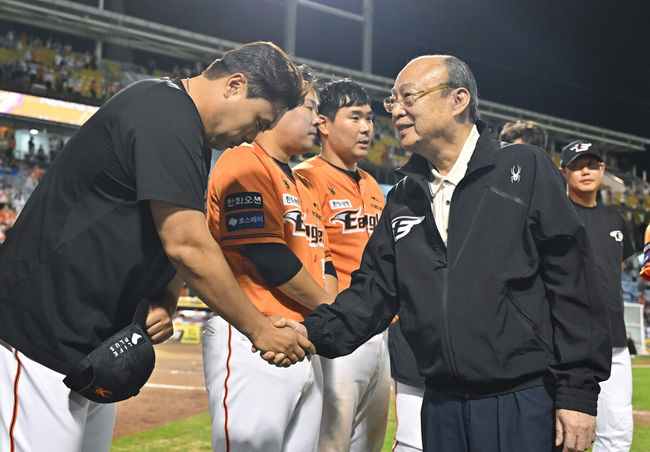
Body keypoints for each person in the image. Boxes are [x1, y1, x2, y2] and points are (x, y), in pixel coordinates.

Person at [273, 54, 611, 452]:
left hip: (522, 397)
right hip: (441, 404)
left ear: (458, 99)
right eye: (393, 101)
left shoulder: (524, 168)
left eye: (408, 97)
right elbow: (373, 293)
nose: (396, 110)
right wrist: (309, 332)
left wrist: (577, 392)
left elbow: (573, 283)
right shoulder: (402, 197)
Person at [0, 41, 312, 452]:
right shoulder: (164, 110)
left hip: (89, 343)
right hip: (41, 331)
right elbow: (186, 244)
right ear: (235, 85)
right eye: (258, 121)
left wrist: (165, 296)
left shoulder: (184, 126)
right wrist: (258, 329)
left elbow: (165, 236)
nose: (251, 137)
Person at [202, 69, 335, 452]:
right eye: (310, 107)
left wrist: (320, 322)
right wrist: (333, 310)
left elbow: (323, 262)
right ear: (277, 110)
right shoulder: (243, 162)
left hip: (303, 340)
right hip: (255, 337)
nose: (317, 120)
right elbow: (267, 256)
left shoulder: (302, 182)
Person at [293, 79, 390, 452]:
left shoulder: (371, 183)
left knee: (370, 443)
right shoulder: (306, 176)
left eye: (369, 119)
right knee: (330, 442)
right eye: (355, 117)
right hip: (339, 323)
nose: (367, 128)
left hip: (379, 330)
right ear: (323, 123)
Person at [560, 140, 635, 451]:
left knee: (617, 434)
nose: (585, 171)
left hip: (615, 341)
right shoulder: (556, 214)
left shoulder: (615, 218)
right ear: (563, 172)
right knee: (564, 436)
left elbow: (614, 269)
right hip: (568, 342)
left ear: (603, 170)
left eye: (592, 164)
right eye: (577, 166)